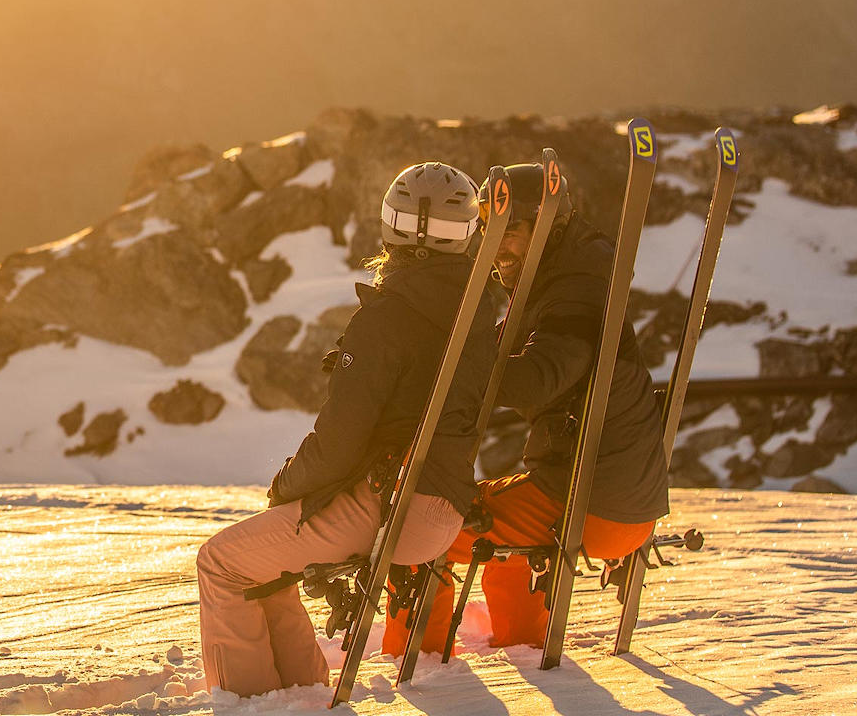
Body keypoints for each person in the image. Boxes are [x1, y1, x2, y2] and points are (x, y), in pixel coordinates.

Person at [195, 162, 495, 697]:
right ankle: (297, 693)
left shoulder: (387, 318)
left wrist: (286, 487)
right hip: (443, 506)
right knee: (263, 564)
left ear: (390, 225)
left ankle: (248, 703)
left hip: (391, 503)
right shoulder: (476, 309)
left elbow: (339, 442)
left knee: (221, 563)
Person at [383, 161, 671, 655]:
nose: (497, 248)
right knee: (490, 524)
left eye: (510, 232)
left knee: (420, 528)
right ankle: (522, 645)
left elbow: (538, 377)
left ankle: (416, 659)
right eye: (490, 233)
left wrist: (459, 369)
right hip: (620, 499)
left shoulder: (574, 291)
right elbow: (498, 352)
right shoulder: (568, 277)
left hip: (591, 501)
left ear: (548, 226)